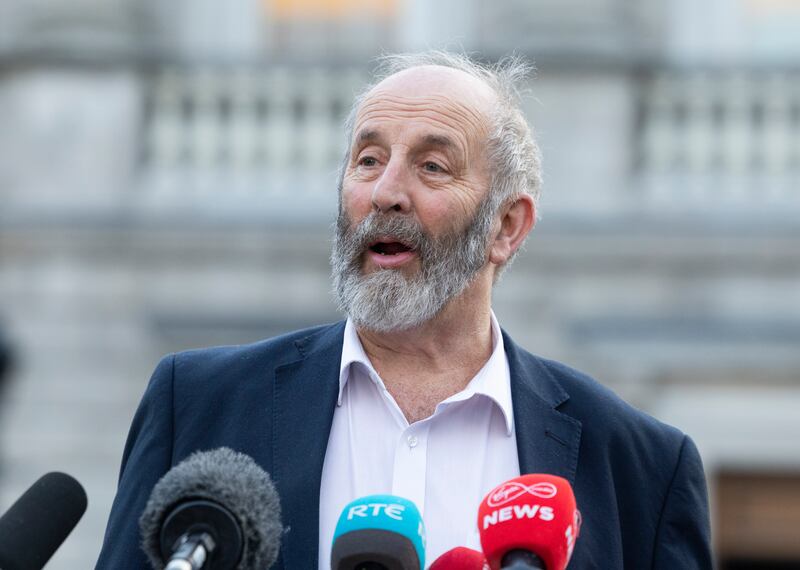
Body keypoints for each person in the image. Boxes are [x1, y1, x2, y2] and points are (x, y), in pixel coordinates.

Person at [96, 52, 712, 569]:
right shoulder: (198, 405)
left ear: (506, 225)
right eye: (367, 160)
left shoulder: (640, 468)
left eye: (432, 166)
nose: (385, 192)